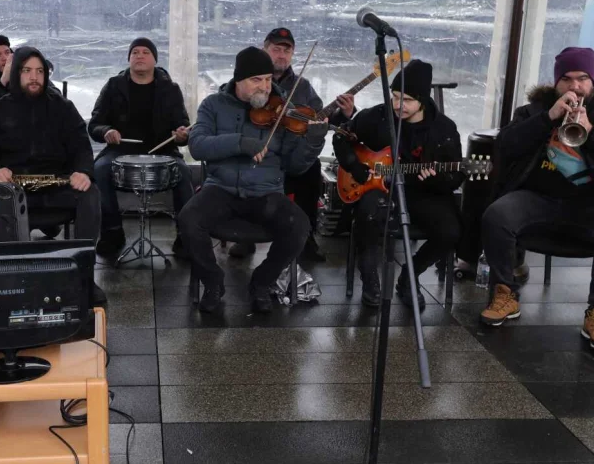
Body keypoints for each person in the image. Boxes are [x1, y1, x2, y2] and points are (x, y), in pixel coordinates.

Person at [478, 46, 594, 353]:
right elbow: (504, 146)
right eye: (567, 79)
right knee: (498, 214)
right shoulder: (533, 110)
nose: (574, 86)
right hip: (538, 197)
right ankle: (506, 293)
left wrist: (592, 131)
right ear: (556, 82)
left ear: (592, 81)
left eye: (582, 78)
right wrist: (548, 118)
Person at [178, 46, 326, 314]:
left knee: (299, 227)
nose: (265, 88)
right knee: (189, 220)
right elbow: (197, 146)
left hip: (266, 192)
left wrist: (314, 142)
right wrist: (240, 143)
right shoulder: (213, 105)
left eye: (268, 80)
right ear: (238, 80)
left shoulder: (284, 111)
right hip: (221, 188)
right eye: (256, 80)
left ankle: (262, 282)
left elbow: (295, 166)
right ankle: (213, 282)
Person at [333, 60, 463, 309]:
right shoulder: (377, 116)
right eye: (394, 97)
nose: (398, 105)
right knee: (368, 215)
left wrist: (438, 180)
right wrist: (354, 165)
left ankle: (409, 276)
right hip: (380, 189)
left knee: (450, 232)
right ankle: (370, 280)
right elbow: (342, 136)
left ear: (422, 100)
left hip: (423, 194)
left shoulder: (444, 129)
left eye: (407, 100)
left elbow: (455, 174)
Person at [0, 46, 106, 303]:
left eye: (39, 71)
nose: (34, 77)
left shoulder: (62, 107)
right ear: (16, 73)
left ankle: (83, 276)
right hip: (14, 188)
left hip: (57, 185)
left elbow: (81, 146)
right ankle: (11, 282)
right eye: (27, 71)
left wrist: (83, 172)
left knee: (90, 195)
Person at [228, 27, 354, 263]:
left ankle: (306, 236)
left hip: (292, 156)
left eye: (287, 51)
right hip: (259, 153)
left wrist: (344, 115)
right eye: (276, 49)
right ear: (265, 50)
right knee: (245, 168)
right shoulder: (247, 81)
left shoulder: (303, 87)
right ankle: (245, 236)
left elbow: (316, 117)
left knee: (311, 170)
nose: (282, 55)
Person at [89, 37, 194, 258]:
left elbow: (182, 128)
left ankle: (186, 236)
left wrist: (181, 135)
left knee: (183, 173)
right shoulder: (113, 86)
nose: (139, 56)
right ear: (129, 59)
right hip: (120, 151)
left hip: (162, 152)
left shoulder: (170, 89)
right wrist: (106, 131)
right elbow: (95, 124)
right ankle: (112, 232)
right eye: (134, 52)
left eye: (145, 52)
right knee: (99, 169)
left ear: (154, 59)